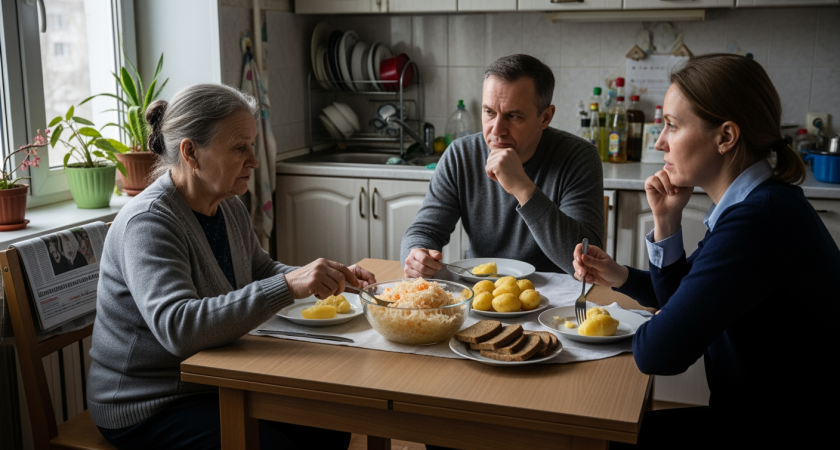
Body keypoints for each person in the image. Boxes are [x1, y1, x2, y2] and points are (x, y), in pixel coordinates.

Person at [87, 84, 375, 450]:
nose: (254, 160)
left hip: (218, 379)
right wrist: (291, 284)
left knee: (329, 426)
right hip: (149, 401)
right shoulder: (148, 223)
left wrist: (326, 278)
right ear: (191, 152)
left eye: (251, 145)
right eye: (240, 148)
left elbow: (259, 270)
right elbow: (179, 328)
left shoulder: (227, 205)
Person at [573, 54, 840, 447]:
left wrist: (664, 322)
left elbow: (658, 354)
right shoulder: (763, 203)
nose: (660, 142)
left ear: (726, 137)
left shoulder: (757, 221)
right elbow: (685, 296)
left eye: (672, 125)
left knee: (594, 435)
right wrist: (654, 236)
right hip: (757, 418)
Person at [401, 54, 604, 278]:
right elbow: (424, 230)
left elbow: (587, 263)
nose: (496, 130)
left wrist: (523, 188)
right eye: (489, 112)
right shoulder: (461, 155)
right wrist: (416, 254)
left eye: (513, 116)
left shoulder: (578, 157)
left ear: (545, 117)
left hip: (557, 295)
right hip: (481, 289)